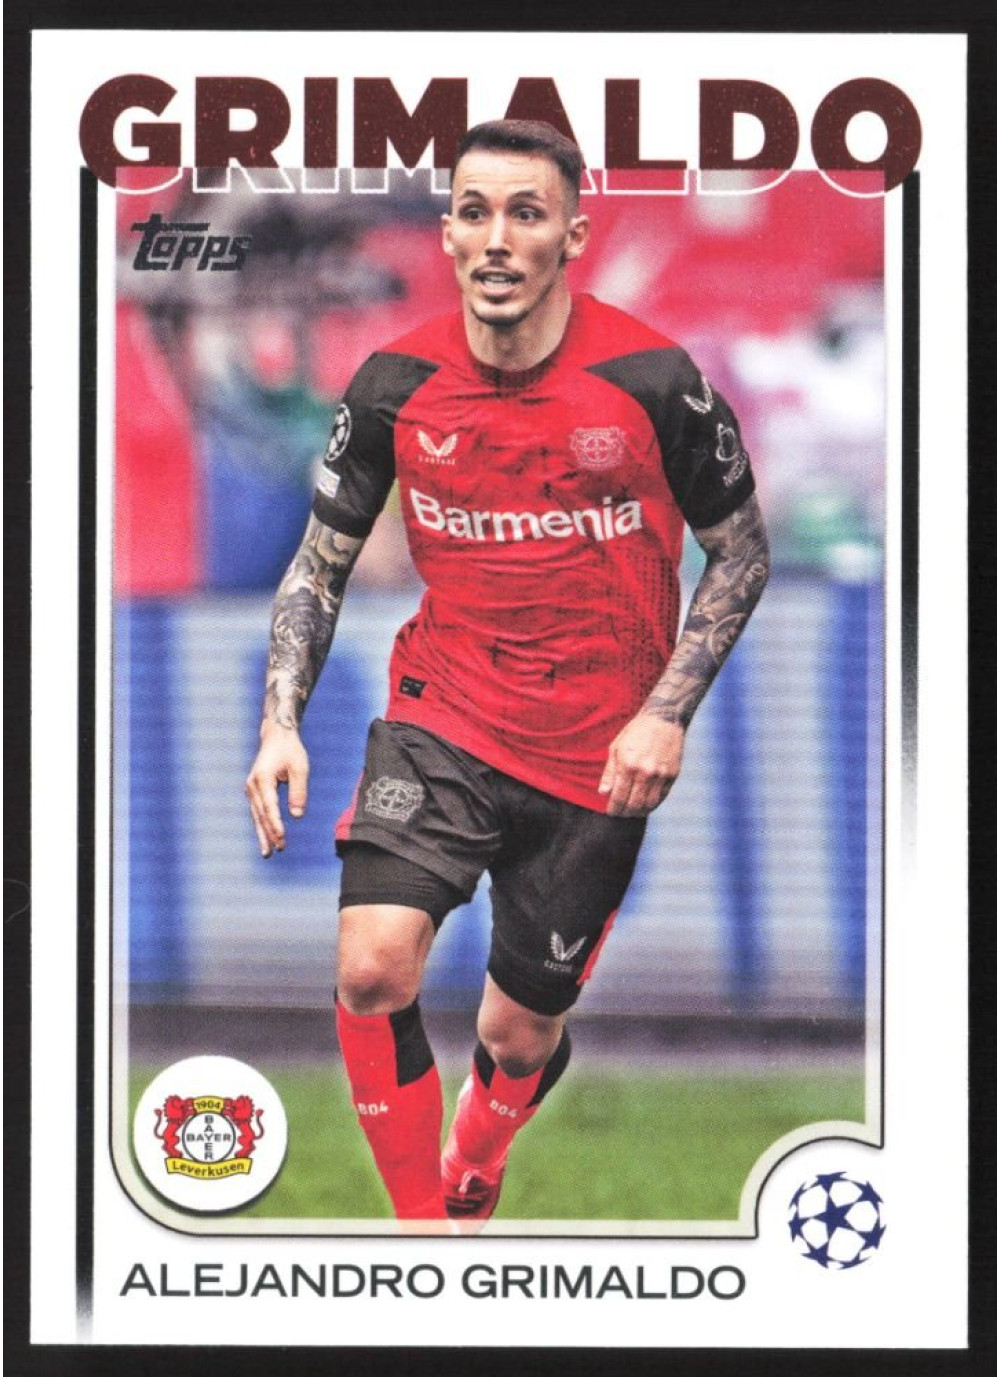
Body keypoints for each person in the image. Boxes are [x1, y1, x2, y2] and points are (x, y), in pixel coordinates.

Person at [245, 119, 770, 1230]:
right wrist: (279, 720)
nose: (496, 237)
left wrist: (666, 714)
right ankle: (424, 1244)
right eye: (475, 212)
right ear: (446, 234)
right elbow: (319, 564)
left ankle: (478, 1150)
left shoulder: (653, 381)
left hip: (598, 753)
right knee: (372, 967)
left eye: (525, 213)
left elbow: (740, 553)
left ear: (570, 235)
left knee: (516, 1035)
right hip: (442, 715)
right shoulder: (392, 385)